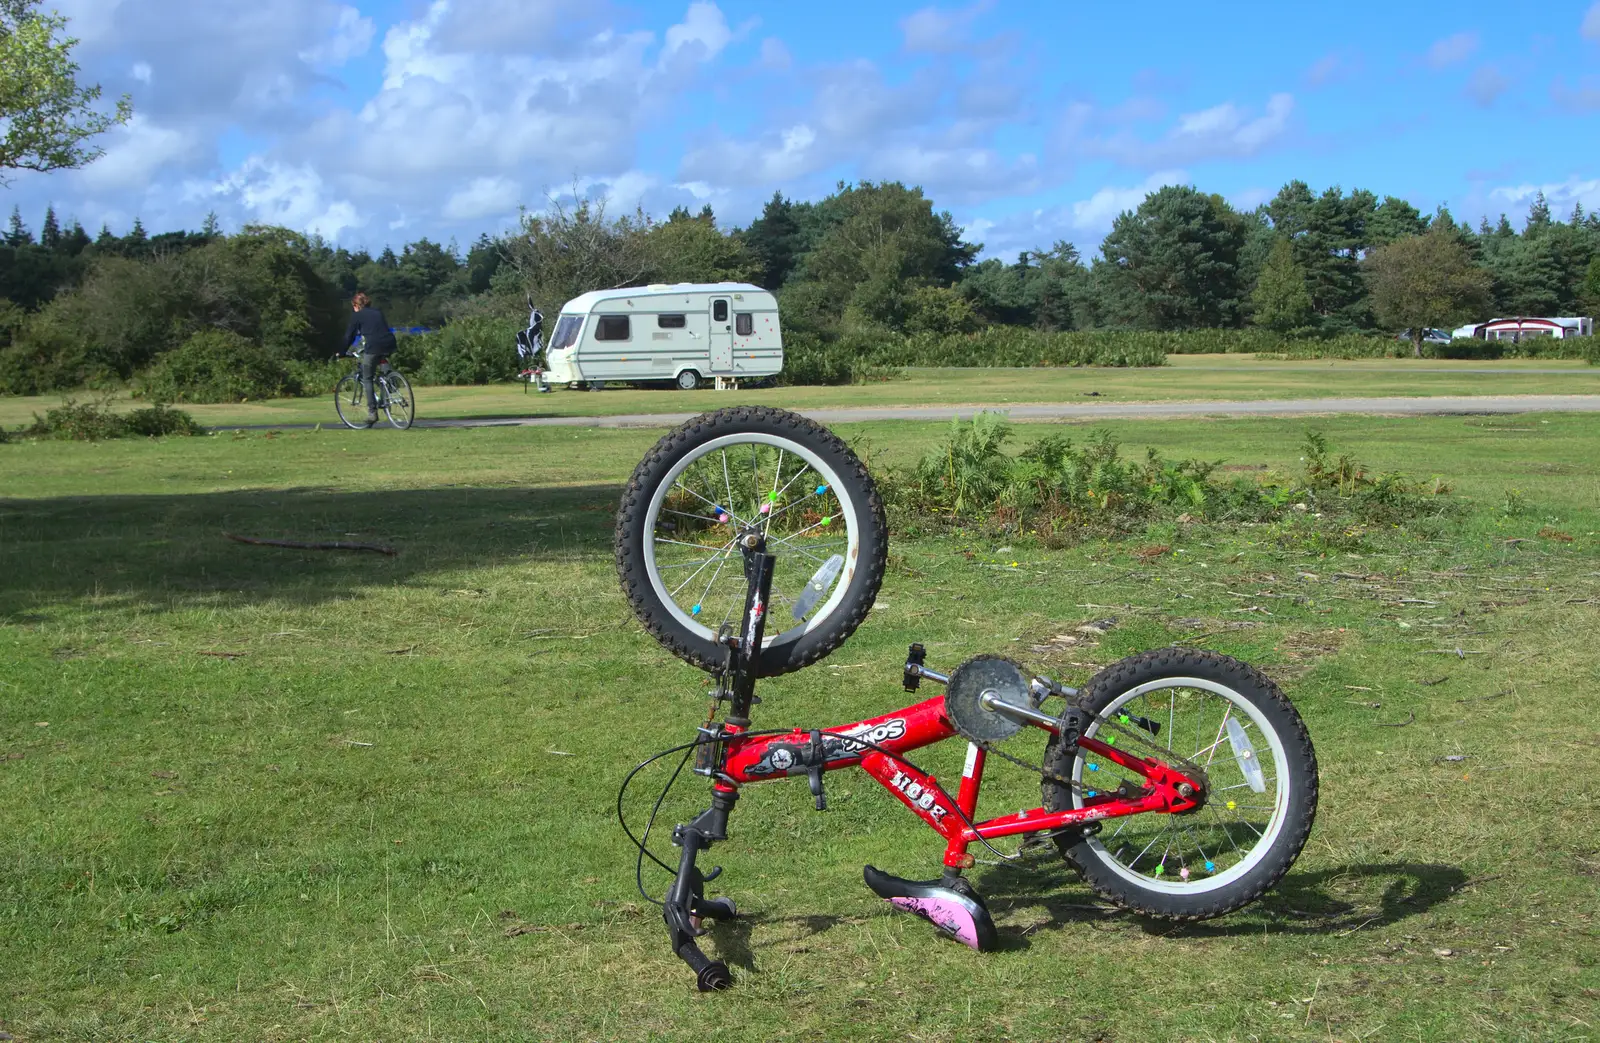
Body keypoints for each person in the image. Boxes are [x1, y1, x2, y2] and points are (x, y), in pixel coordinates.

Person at [343, 292, 398, 424]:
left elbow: (349, 336)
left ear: (356, 305)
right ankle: (390, 381)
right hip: (389, 342)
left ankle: (372, 412)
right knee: (381, 359)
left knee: (367, 378)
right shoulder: (377, 312)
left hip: (373, 345)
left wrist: (342, 351)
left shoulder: (357, 315)